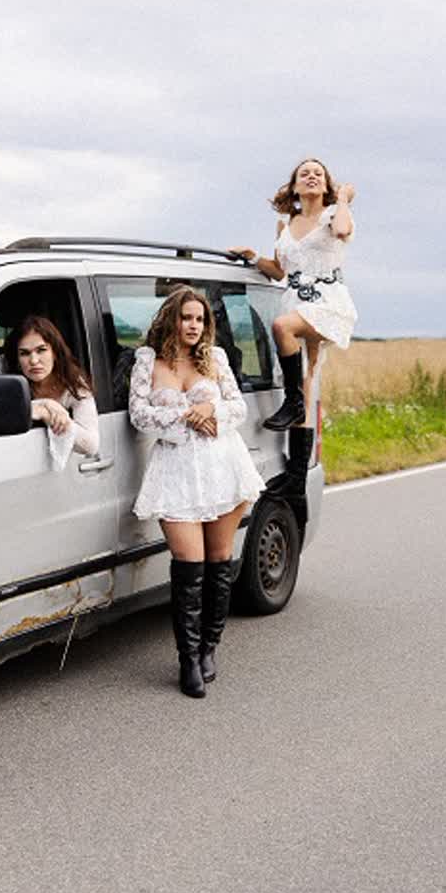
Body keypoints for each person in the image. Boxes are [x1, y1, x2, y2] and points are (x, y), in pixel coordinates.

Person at [127, 287, 264, 698]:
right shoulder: (147, 361)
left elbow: (238, 407)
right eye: (187, 317)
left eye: (200, 319)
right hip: (176, 471)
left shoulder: (215, 358)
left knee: (219, 562)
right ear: (171, 318)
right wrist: (187, 415)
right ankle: (187, 660)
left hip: (223, 466)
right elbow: (139, 415)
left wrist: (212, 410)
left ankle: (208, 650)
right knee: (188, 566)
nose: (194, 326)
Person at [231, 158, 358, 494]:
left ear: (326, 184)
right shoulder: (286, 224)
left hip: (328, 303)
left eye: (318, 173)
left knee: (281, 327)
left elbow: (342, 231)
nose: (312, 176)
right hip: (297, 302)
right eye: (305, 173)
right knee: (307, 379)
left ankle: (292, 402)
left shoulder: (335, 215)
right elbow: (279, 271)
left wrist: (342, 199)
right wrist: (253, 257)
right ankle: (297, 478)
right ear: (294, 185)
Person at [0, 315, 98, 465]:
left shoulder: (74, 385)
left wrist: (50, 416)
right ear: (17, 359)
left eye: (41, 350)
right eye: (24, 353)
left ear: (55, 352)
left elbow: (91, 445)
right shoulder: (5, 369)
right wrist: (44, 405)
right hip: (9, 461)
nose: (34, 361)